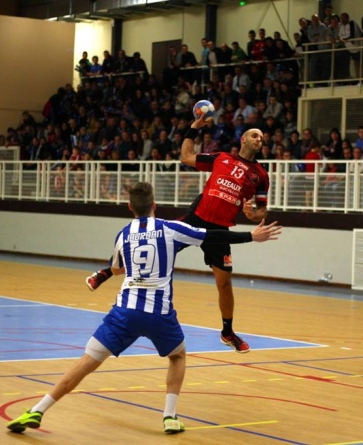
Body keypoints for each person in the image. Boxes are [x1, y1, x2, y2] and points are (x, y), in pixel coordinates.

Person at [6, 182, 281, 434]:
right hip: (159, 313)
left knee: (86, 362)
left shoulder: (123, 234)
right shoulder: (170, 228)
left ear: (130, 208)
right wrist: (251, 236)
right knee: (178, 356)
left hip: (124, 311)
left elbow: (115, 268)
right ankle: (170, 416)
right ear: (154, 205)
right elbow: (212, 236)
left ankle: (37, 410)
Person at [85, 113, 270, 354]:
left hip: (220, 228)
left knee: (225, 285)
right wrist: (194, 127)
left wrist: (251, 213)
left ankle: (227, 332)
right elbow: (186, 156)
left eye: (262, 138)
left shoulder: (261, 176)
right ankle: (106, 272)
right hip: (197, 217)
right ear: (243, 139)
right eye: (255, 135)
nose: (259, 139)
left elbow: (261, 212)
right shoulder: (221, 159)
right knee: (151, 242)